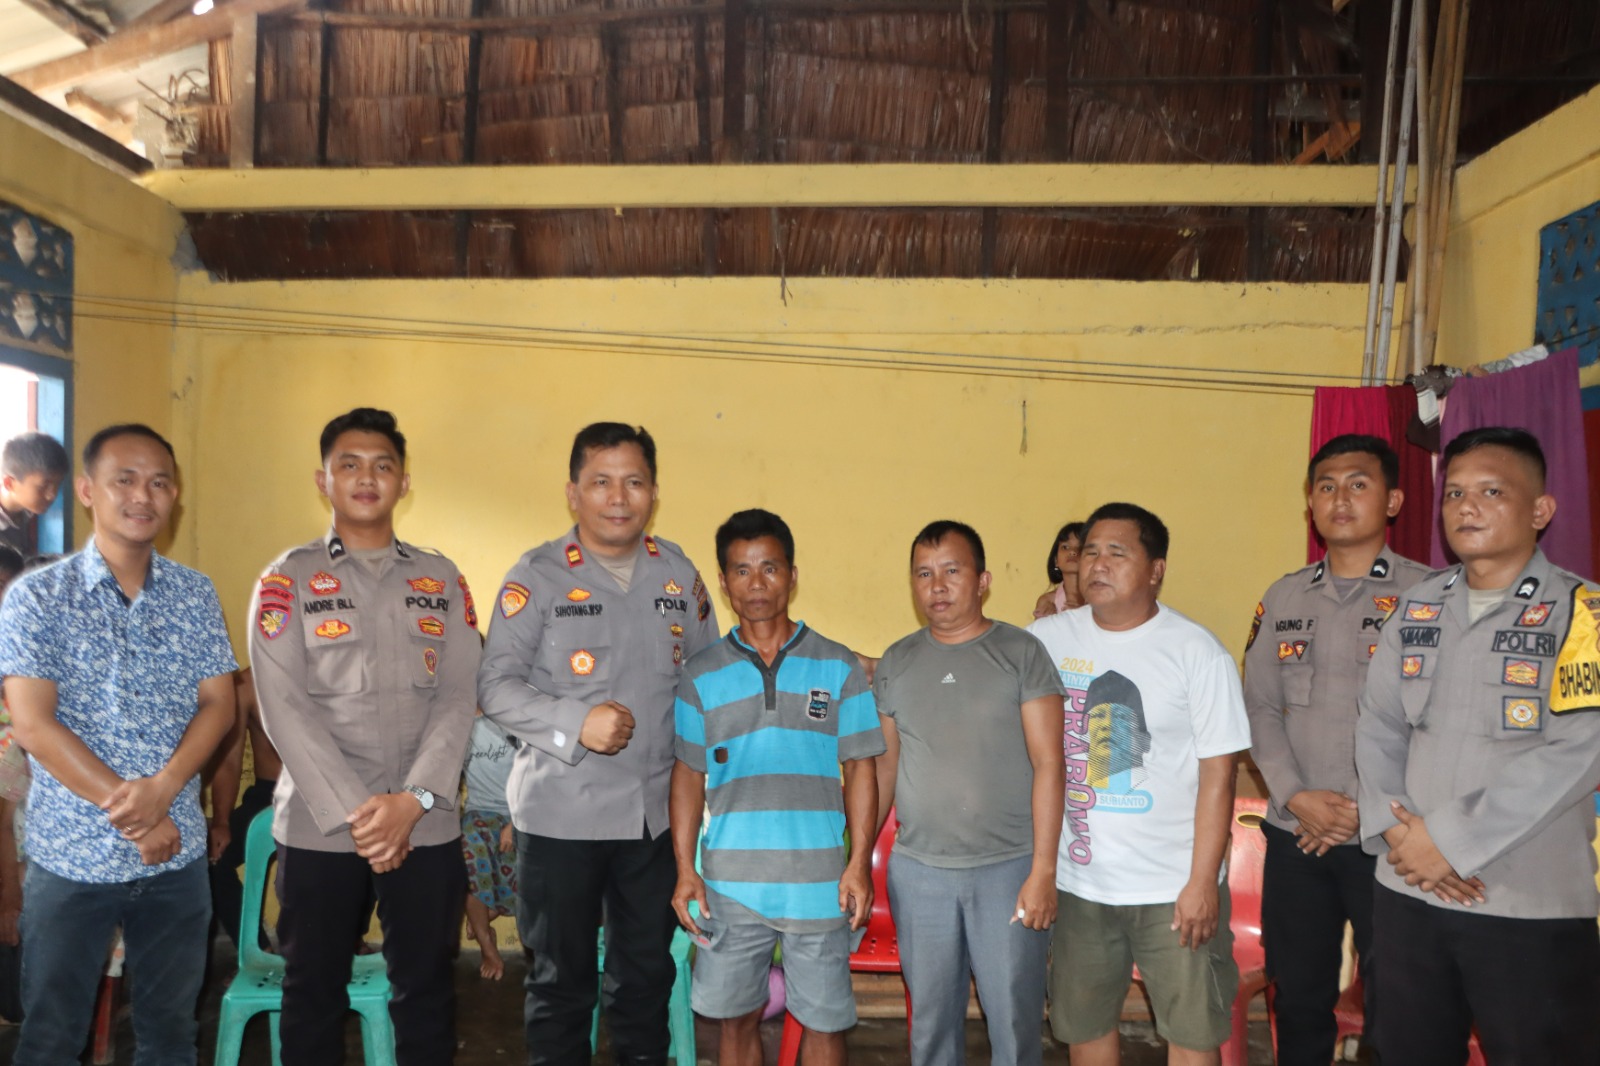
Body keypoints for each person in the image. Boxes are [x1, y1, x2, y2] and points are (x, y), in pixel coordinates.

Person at [1355, 425, 1600, 1064]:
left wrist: (1449, 842)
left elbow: (1581, 751)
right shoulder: (1416, 606)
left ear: (1540, 510)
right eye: (1455, 493)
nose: (1467, 507)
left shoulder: (1584, 614)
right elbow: (1378, 723)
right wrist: (1402, 836)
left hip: (1527, 902)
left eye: (1491, 491)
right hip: (1408, 889)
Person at [479, 422, 719, 1066]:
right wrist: (573, 722)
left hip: (653, 822)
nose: (618, 497)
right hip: (562, 816)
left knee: (645, 983)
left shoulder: (678, 575)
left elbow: (709, 682)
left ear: (654, 493)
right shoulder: (537, 575)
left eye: (634, 482)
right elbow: (494, 686)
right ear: (573, 492)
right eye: (601, 482)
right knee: (560, 986)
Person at [0, 423, 238, 1063]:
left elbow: (220, 704)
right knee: (51, 1037)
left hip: (175, 860)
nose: (143, 496)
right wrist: (139, 816)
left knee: (170, 1036)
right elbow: (34, 725)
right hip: (72, 859)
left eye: (159, 482)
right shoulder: (36, 598)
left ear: (174, 495)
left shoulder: (193, 593)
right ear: (86, 491)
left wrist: (165, 790)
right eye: (124, 480)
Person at [250, 407, 481, 1066]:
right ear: (323, 480)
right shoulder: (286, 580)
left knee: (427, 991)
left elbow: (459, 696)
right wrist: (366, 816)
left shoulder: (441, 579)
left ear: (404, 482)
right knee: (312, 993)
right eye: (348, 465)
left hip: (425, 822)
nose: (366, 478)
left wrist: (412, 801)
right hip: (322, 827)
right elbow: (282, 706)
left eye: (383, 465)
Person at [1028, 502, 1251, 1066]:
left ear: (1156, 570)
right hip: (1080, 884)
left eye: (1117, 553)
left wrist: (1202, 882)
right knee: (1084, 1027)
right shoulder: (1046, 639)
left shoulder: (1197, 652)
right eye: (1089, 552)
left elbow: (1219, 775)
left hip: (1172, 887)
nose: (1097, 564)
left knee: (1192, 1035)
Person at [1242, 433, 1430, 1065]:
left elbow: (1439, 722)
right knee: (1297, 997)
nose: (1340, 498)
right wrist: (1296, 796)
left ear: (1393, 501)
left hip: (1392, 840)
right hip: (1296, 834)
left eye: (1358, 484)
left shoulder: (1431, 596)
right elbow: (1259, 707)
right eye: (1326, 486)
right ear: (1311, 505)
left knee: (1398, 1002)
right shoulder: (1284, 597)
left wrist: (1362, 808)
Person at [670, 509, 883, 1066]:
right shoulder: (700, 674)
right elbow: (688, 775)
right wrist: (686, 870)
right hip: (730, 885)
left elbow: (861, 767)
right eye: (742, 571)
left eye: (769, 568)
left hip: (819, 883)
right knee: (735, 1021)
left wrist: (858, 863)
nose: (756, 583)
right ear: (724, 583)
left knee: (824, 1024)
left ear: (792, 575)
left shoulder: (838, 666)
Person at [874, 520, 1065, 1066]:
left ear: (982, 581)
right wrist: (857, 858)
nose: (937, 586)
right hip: (920, 873)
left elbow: (1050, 763)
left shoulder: (1021, 653)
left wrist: (1043, 871)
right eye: (924, 574)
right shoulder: (897, 661)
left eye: (952, 571)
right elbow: (884, 768)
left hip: (1009, 871)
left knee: (1014, 1024)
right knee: (930, 1026)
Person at [205, 666, 284, 950]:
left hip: (326, 795)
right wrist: (221, 822)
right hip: (269, 795)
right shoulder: (246, 684)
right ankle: (256, 951)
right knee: (211, 858)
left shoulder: (338, 671)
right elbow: (229, 761)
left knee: (378, 840)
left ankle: (352, 939)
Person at [461, 710, 518, 980]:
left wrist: (516, 822)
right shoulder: (457, 722)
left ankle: (483, 915)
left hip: (521, 810)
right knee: (469, 852)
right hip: (479, 810)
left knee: (532, 862)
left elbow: (539, 775)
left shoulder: (512, 717)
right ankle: (487, 946)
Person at [0, 431, 68, 557]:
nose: (52, 495)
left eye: (58, 484)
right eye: (43, 486)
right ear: (9, 483)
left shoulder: (29, 513)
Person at [1033, 522, 1086, 619]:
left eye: (1080, 547)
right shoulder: (1047, 602)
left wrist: (1086, 615)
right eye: (1065, 547)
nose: (1072, 552)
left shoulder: (1103, 599)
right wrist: (1049, 621)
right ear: (1056, 560)